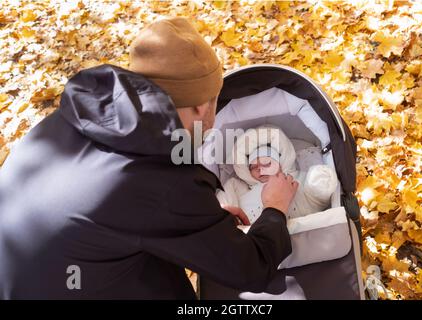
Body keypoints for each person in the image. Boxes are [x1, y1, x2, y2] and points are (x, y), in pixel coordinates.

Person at [0, 17, 298, 299]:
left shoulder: (72, 120)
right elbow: (250, 269)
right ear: (200, 106)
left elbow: (120, 213)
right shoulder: (159, 181)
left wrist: (203, 218)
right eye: (215, 101)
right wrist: (274, 208)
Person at [217, 125, 338, 223]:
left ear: (280, 163)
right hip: (258, 236)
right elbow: (228, 196)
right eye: (253, 167)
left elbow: (315, 197)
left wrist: (320, 180)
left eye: (266, 163)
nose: (260, 169)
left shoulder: (295, 178)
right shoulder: (245, 189)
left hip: (305, 227)